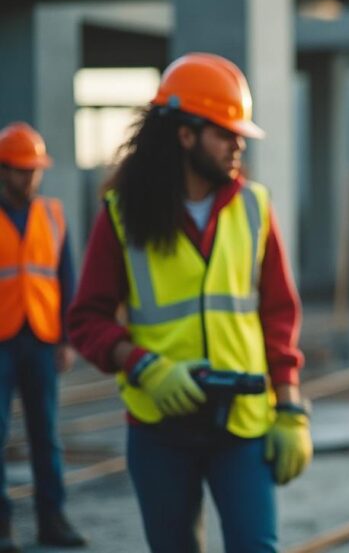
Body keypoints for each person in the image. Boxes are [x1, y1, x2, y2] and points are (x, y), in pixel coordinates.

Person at [68, 53, 312, 553]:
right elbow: (86, 320)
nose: (238, 144)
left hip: (244, 422)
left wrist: (291, 410)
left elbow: (278, 316)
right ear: (185, 135)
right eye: (225, 133)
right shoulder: (122, 215)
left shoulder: (254, 207)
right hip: (160, 427)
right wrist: (143, 366)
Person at [0, 122, 86, 551]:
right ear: (3, 170)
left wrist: (67, 339)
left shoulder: (52, 215)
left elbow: (66, 280)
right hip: (1, 342)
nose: (29, 177)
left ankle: (52, 519)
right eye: (20, 170)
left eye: (34, 170)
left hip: (41, 339)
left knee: (46, 434)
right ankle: (3, 527)